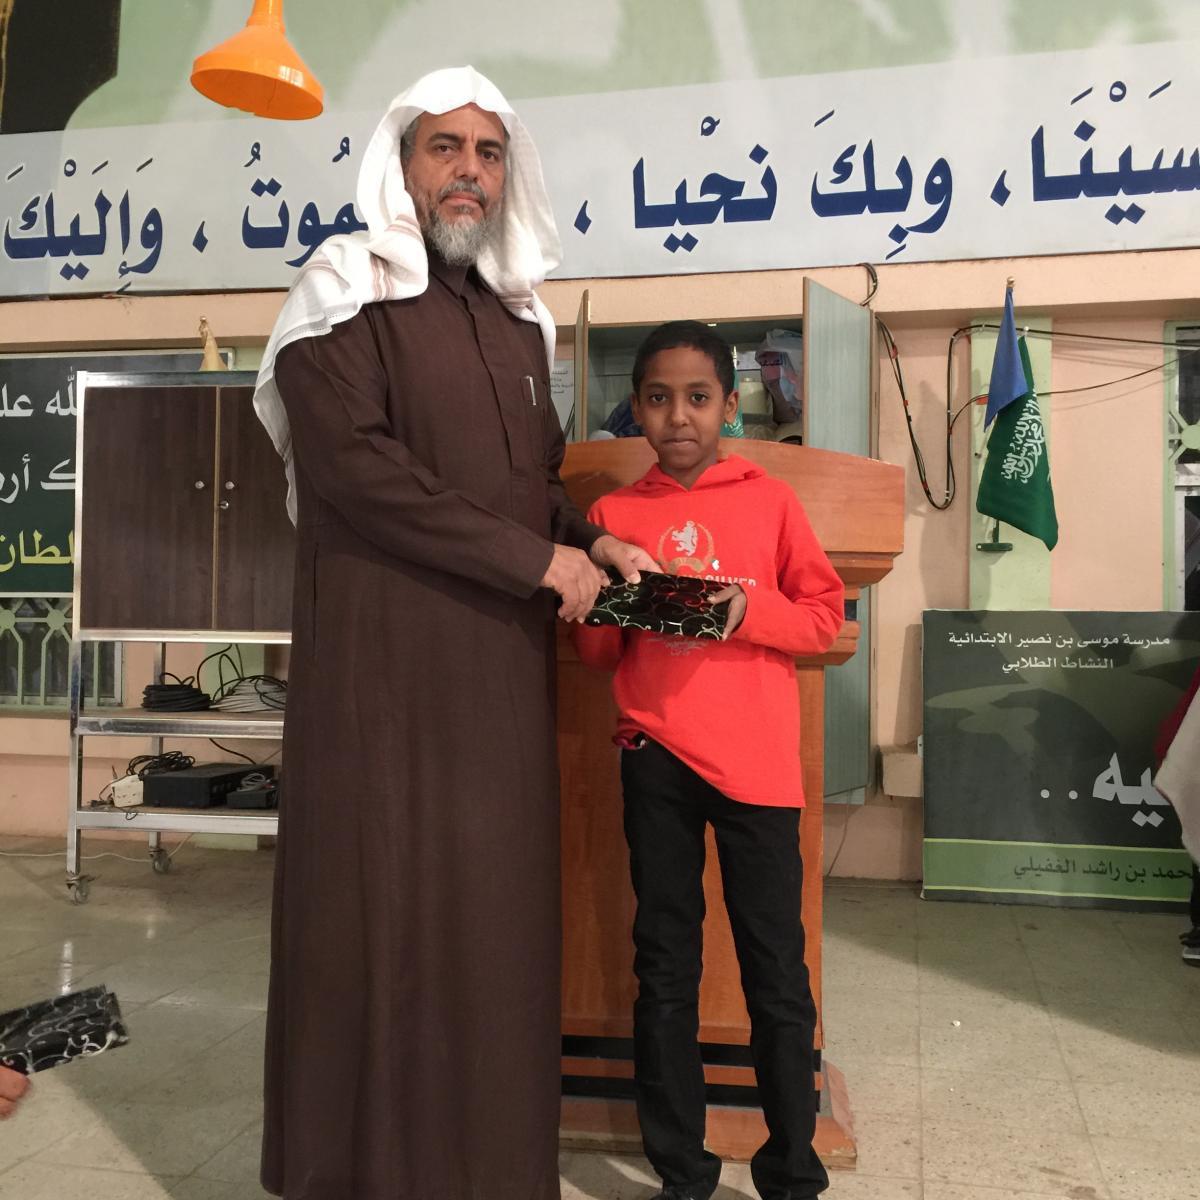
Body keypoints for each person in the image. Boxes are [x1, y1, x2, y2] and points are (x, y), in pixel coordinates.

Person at [252, 67, 654, 1200]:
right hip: (383, 679)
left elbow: (528, 486)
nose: (469, 170)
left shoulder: (518, 322)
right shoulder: (342, 292)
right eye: (445, 147)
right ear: (402, 165)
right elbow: (359, 474)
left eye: (488, 151)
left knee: (491, 929)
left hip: (499, 681)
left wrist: (590, 537)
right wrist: (540, 562)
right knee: (379, 915)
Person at [573, 321, 843, 1200]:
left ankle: (792, 1171)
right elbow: (598, 658)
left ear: (729, 405)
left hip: (758, 769)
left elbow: (823, 619)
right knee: (664, 967)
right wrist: (603, 604)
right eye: (659, 399)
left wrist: (744, 611)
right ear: (636, 409)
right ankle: (682, 1174)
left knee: (777, 972)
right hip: (655, 761)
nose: (678, 417)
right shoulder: (615, 517)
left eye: (697, 398)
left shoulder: (771, 501)